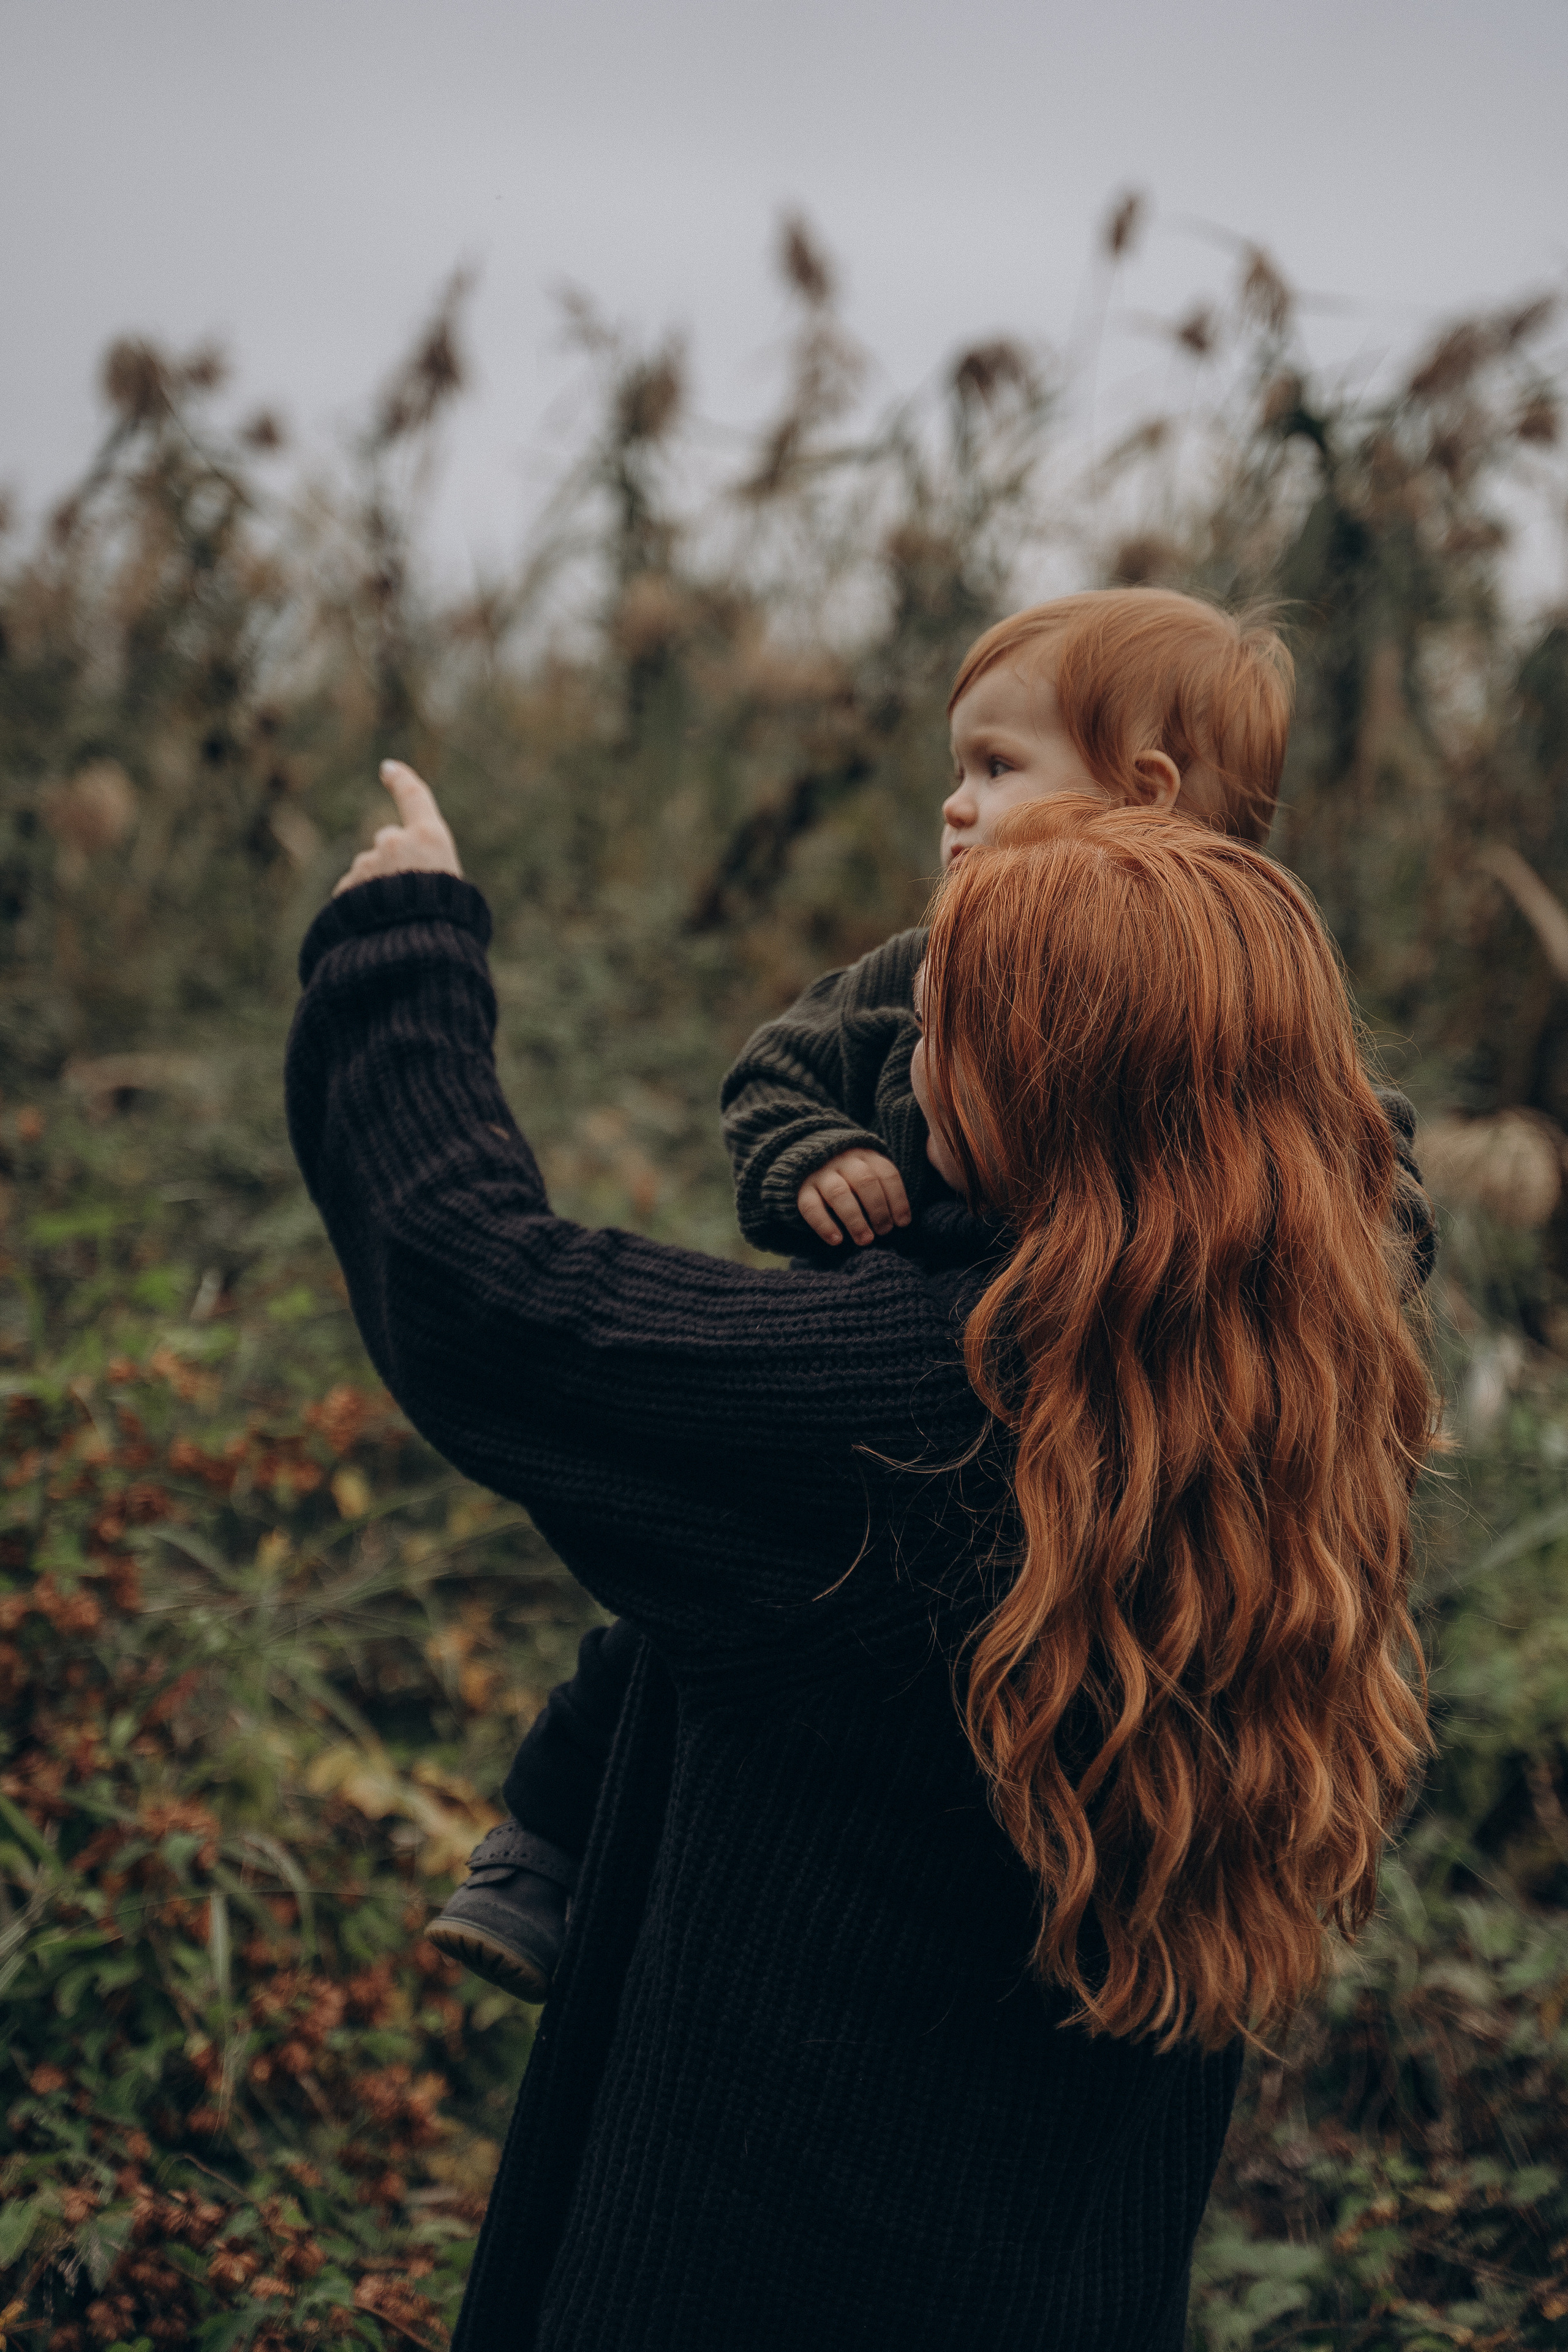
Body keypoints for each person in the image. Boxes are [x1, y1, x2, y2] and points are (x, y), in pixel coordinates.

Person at [286, 764, 1435, 2351]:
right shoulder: (1297, 1404)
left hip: (756, 2279)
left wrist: (403, 947)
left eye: (942, 1026)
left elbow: (492, 1297)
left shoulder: (923, 1416)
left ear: (1033, 1092)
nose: (905, 1054)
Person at [426, 589, 1436, 2002]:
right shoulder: (918, 963)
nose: (954, 806)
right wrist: (812, 1159)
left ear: (1144, 792)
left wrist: (1336, 1277)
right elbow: (773, 1075)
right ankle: (544, 1846)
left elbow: (1363, 1163)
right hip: (894, 1391)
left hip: (1103, 1432)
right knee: (652, 1626)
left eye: (997, 766)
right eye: (957, 767)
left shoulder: (1243, 1001)